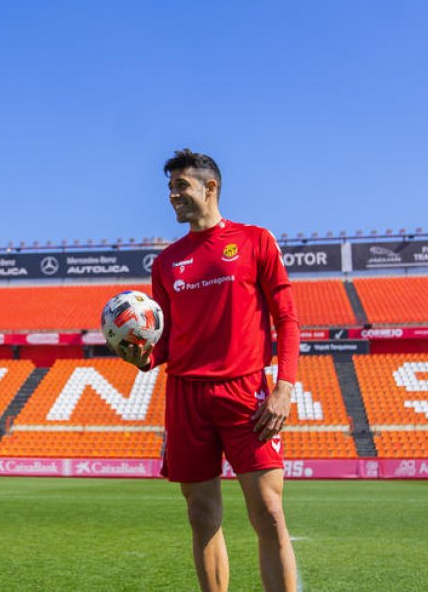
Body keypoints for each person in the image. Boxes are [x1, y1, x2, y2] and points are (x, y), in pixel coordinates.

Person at [114, 148, 301, 592]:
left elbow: (287, 319)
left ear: (209, 187)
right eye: (170, 188)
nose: (173, 195)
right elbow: (166, 339)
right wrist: (144, 357)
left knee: (270, 513)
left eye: (181, 185)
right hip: (185, 397)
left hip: (245, 393)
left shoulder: (255, 240)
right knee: (201, 515)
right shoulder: (166, 262)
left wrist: (284, 386)